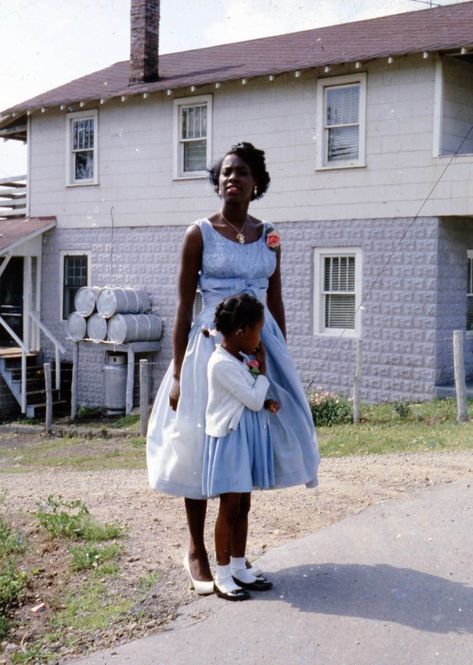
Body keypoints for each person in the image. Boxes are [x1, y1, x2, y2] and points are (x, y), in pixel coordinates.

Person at [147, 141, 320, 594]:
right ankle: (197, 550)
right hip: (211, 350)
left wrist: (278, 355)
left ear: (255, 182)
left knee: (244, 443)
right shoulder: (198, 234)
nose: (232, 178)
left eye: (241, 172)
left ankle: (236, 557)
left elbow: (276, 300)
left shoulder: (270, 235)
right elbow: (184, 307)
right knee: (198, 443)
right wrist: (181, 372)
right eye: (225, 172)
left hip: (259, 347)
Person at [203, 294, 278, 600]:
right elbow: (252, 397)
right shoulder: (221, 363)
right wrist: (264, 371)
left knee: (243, 505)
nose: (260, 338)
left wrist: (262, 388)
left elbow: (253, 395)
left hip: (244, 438)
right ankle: (222, 574)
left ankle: (238, 567)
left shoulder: (240, 359)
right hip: (230, 440)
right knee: (229, 507)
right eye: (258, 331)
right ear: (240, 331)